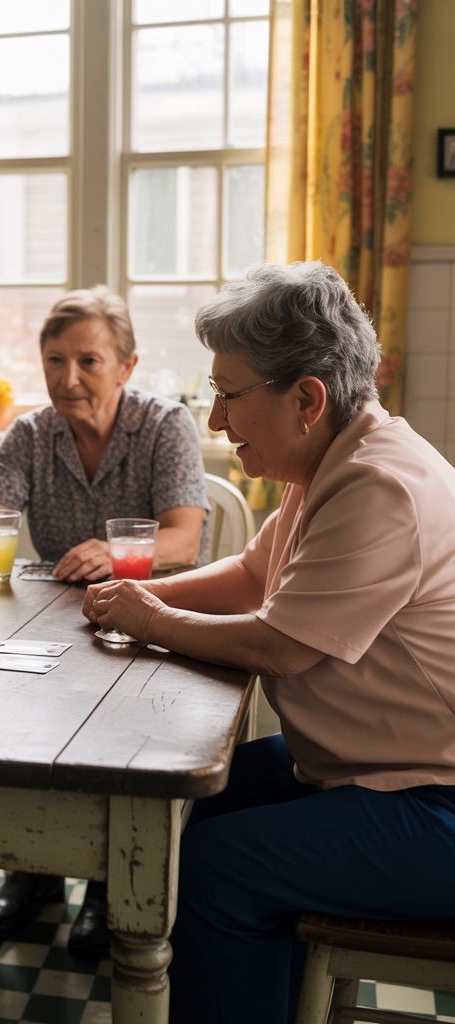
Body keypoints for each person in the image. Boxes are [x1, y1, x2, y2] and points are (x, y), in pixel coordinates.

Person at [82, 261, 455, 1024]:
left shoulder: (380, 485)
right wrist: (139, 597)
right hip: (378, 768)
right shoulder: (336, 460)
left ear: (307, 398)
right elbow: (254, 575)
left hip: (436, 804)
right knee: (203, 804)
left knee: (217, 870)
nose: (216, 421)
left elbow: (280, 645)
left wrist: (146, 618)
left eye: (227, 395)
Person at [0, 285, 208, 958]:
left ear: (127, 365)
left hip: (143, 629)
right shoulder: (32, 432)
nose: (69, 378)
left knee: (122, 742)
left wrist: (122, 555)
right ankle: (32, 874)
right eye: (55, 360)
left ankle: (102, 889)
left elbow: (186, 538)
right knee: (12, 722)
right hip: (50, 625)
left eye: (89, 361)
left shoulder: (164, 426)